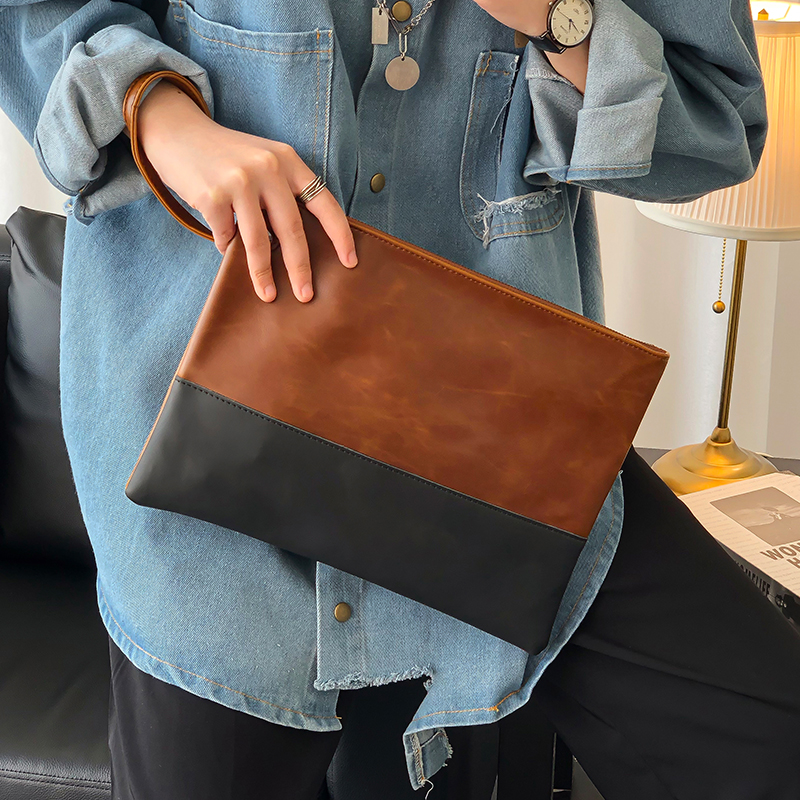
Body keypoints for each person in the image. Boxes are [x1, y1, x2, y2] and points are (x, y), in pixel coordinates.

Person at [2, 0, 798, 798]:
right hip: (205, 460)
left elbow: (715, 121)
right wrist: (162, 117)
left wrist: (558, 16)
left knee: (767, 738)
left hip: (488, 440)